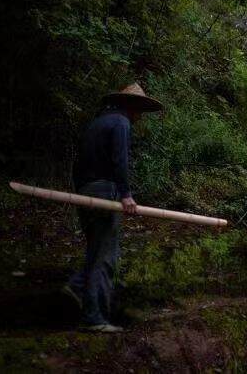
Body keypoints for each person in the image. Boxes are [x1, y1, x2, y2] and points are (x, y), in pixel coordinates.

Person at [63, 83, 162, 333]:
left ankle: (77, 285)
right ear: (131, 106)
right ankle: (94, 318)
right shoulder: (121, 123)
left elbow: (80, 163)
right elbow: (120, 160)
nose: (140, 117)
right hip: (105, 193)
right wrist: (126, 194)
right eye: (140, 110)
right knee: (106, 256)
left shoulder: (98, 122)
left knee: (97, 249)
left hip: (86, 192)